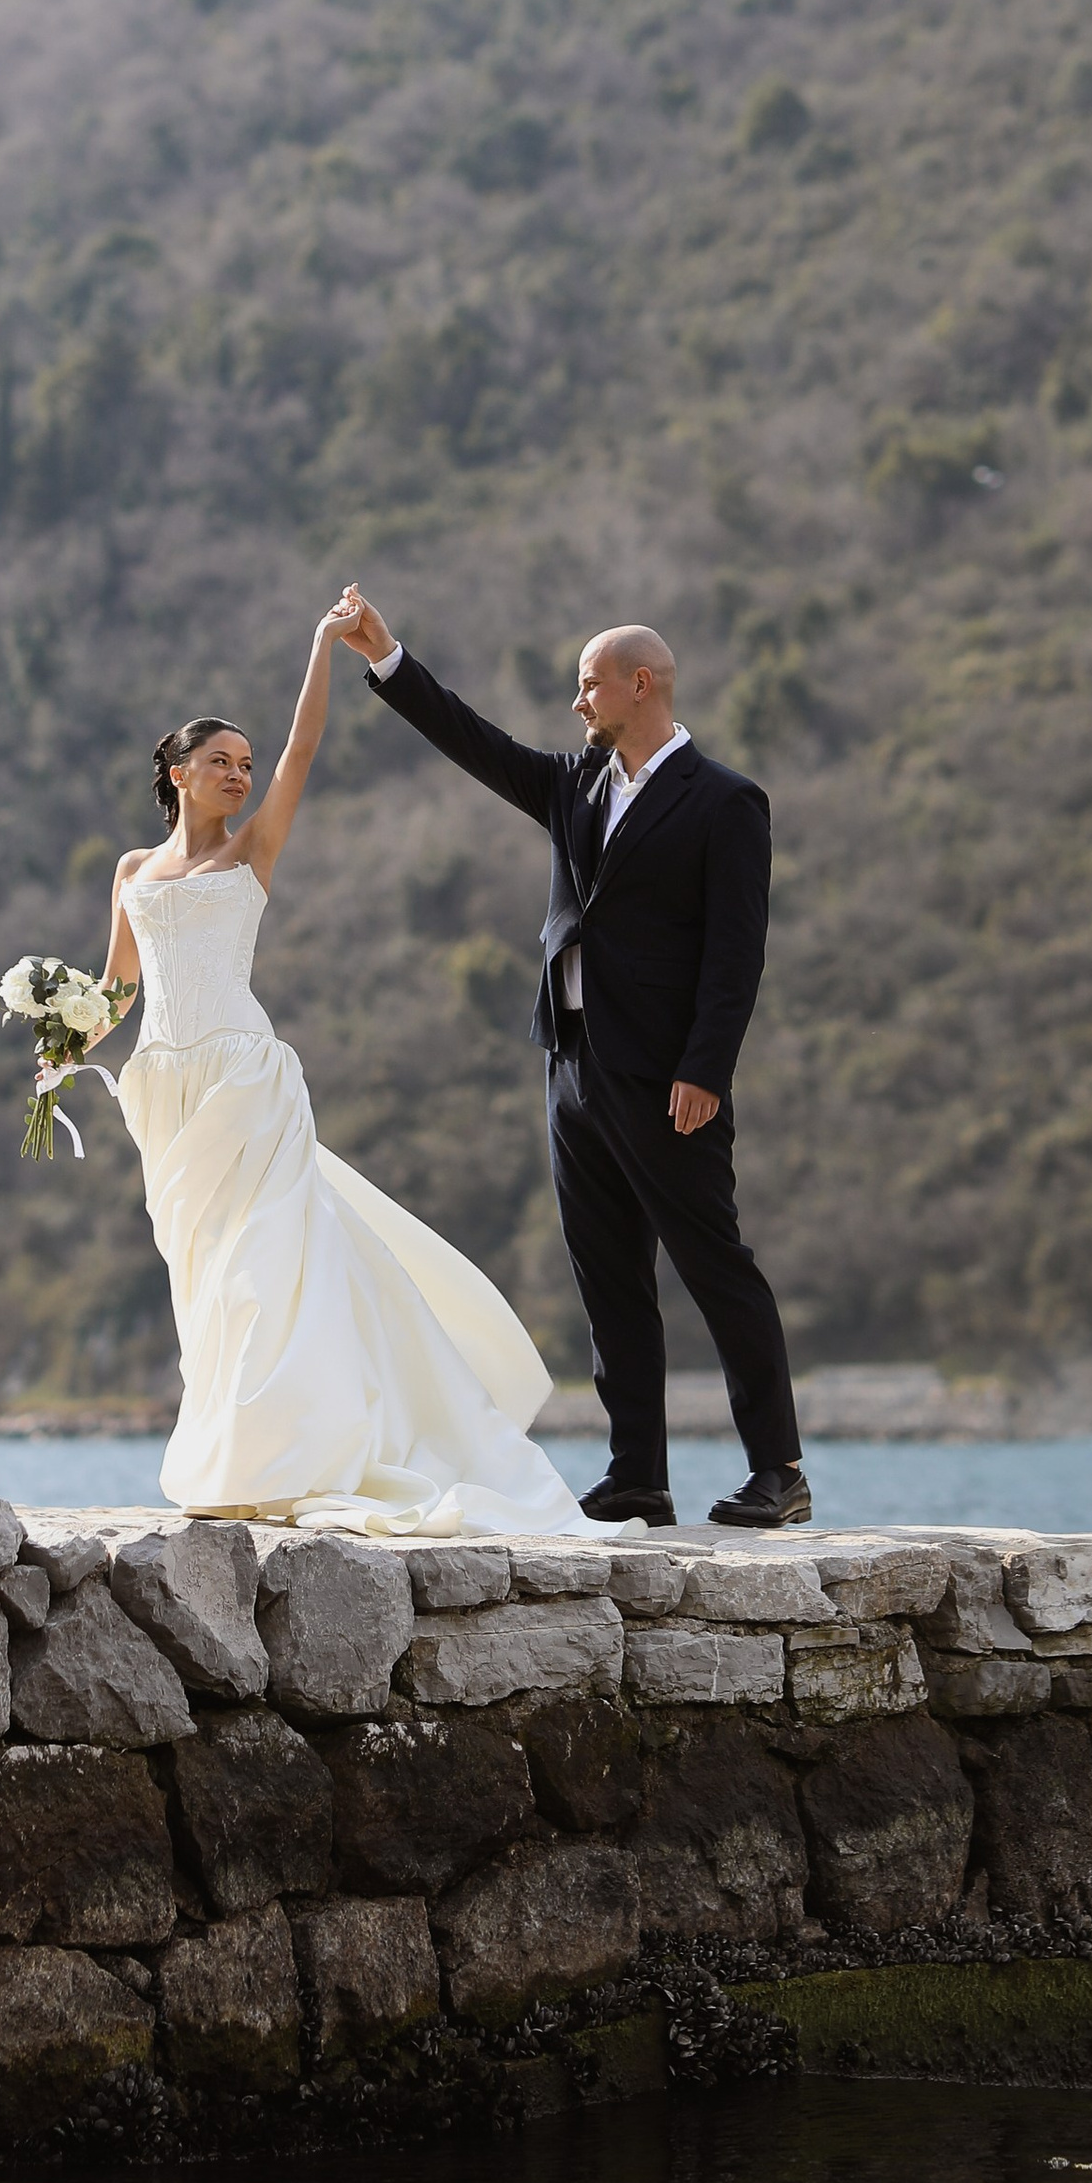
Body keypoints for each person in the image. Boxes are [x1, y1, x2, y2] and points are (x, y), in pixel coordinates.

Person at [85, 588, 603, 1539]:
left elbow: (302, 754)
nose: (239, 776)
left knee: (262, 1270)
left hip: (245, 1081)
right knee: (202, 1281)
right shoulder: (130, 872)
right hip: (166, 1088)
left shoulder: (253, 854)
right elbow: (117, 991)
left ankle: (291, 1456)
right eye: (219, 763)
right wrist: (60, 1048)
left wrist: (324, 648)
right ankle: (238, 1456)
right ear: (176, 771)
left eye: (244, 764)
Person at [335, 592, 809, 1532]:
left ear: (641, 686)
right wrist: (388, 657)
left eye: (589, 685)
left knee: (716, 1267)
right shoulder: (573, 785)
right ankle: (638, 1475)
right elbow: (475, 743)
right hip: (573, 1065)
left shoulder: (726, 801)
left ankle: (779, 1473)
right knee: (608, 1278)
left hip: (669, 1077)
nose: (576, 702)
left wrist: (705, 1071)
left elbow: (735, 952)